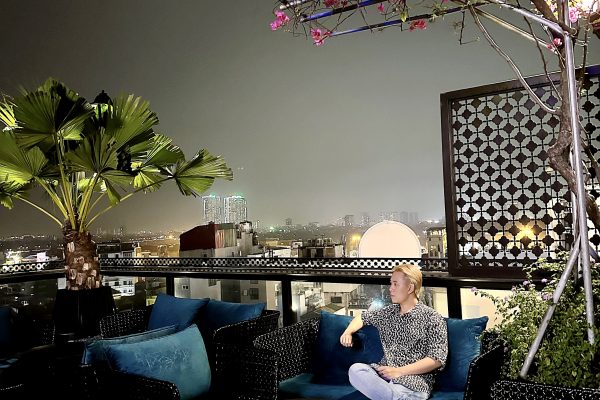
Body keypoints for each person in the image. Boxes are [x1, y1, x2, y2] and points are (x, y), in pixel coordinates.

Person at [340, 264, 448, 400]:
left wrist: (398, 371)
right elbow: (362, 317)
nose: (390, 288)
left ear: (410, 288)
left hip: (412, 385)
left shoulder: (432, 318)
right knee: (356, 370)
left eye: (395, 284)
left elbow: (437, 359)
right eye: (391, 283)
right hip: (382, 379)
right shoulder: (388, 313)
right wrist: (347, 332)